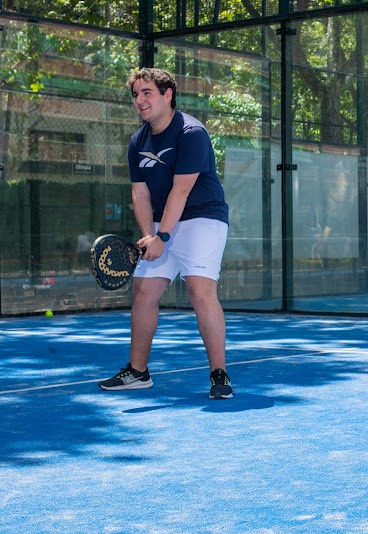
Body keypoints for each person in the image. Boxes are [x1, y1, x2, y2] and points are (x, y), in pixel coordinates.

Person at [99, 68, 232, 399]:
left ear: (167, 94)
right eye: (135, 95)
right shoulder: (137, 141)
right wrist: (149, 236)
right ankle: (138, 371)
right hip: (162, 224)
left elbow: (181, 191)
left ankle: (219, 375)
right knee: (144, 292)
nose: (140, 101)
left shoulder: (191, 132)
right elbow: (140, 194)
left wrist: (164, 238)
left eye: (147, 93)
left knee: (201, 291)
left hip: (203, 218)